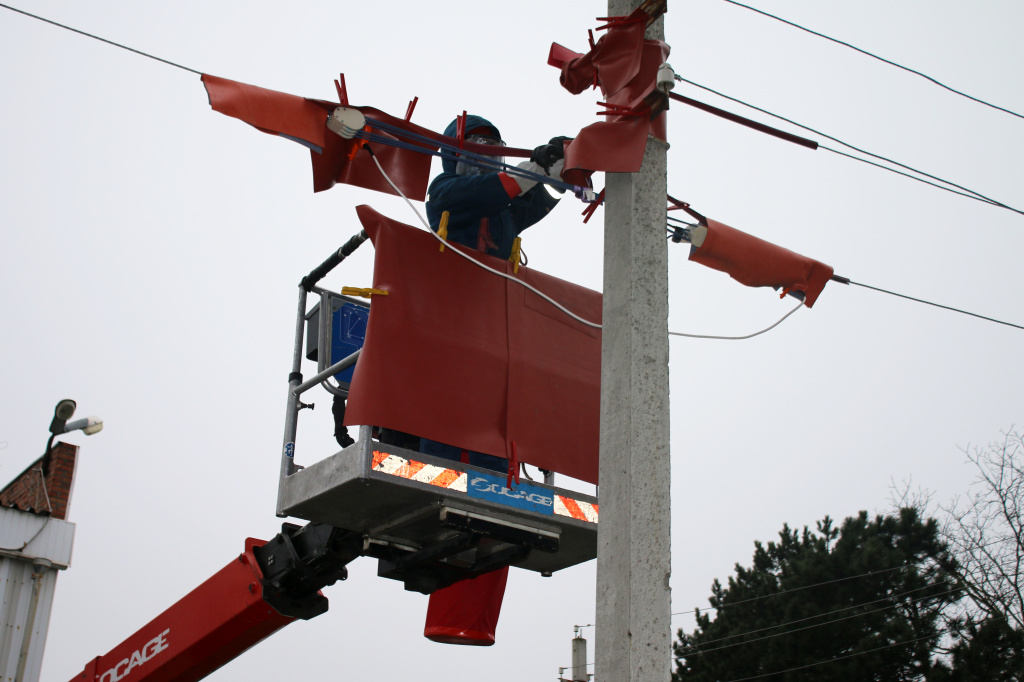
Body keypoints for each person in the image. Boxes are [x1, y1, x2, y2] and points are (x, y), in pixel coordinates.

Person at [421, 114, 568, 472]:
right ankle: (438, 474)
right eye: (479, 150)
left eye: (494, 152)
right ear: (456, 155)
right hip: (449, 324)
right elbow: (486, 192)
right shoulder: (444, 191)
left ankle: (498, 476)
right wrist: (532, 170)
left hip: (494, 327)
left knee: (494, 409)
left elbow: (531, 196)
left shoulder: (505, 211)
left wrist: (559, 171)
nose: (488, 160)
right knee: (446, 409)